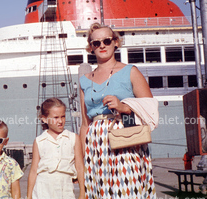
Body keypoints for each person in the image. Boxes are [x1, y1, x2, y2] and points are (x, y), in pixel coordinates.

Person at [79, 22, 157, 198]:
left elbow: (151, 109)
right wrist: (83, 158)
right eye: (96, 43)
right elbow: (85, 124)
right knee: (100, 192)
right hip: (95, 145)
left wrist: (124, 107)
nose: (102, 46)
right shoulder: (84, 80)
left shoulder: (130, 71)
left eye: (106, 41)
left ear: (115, 42)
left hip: (125, 138)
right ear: (91, 47)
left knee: (128, 189)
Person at [27, 97, 85, 199]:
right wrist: (29, 196)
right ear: (44, 119)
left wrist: (82, 193)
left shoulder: (73, 138)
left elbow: (80, 167)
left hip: (65, 187)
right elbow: (33, 170)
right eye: (56, 117)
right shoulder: (39, 141)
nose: (60, 121)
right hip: (43, 188)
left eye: (63, 116)